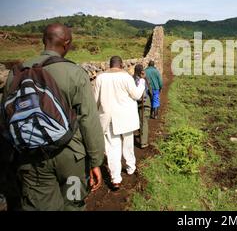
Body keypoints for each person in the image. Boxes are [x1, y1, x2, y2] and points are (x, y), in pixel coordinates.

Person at [0, 23, 105, 211]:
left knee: (40, 206)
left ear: (43, 41)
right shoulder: (74, 73)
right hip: (71, 158)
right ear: (67, 44)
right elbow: (89, 120)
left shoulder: (16, 73)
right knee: (73, 203)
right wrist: (96, 161)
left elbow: (5, 119)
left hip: (31, 158)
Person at [94, 56, 145, 190]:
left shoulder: (100, 78)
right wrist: (142, 84)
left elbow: (95, 101)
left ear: (109, 65)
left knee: (112, 148)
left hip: (109, 118)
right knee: (128, 144)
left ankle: (116, 179)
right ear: (121, 65)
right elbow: (136, 95)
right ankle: (130, 167)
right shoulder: (126, 77)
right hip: (126, 118)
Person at [133, 64, 150, 149]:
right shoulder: (142, 80)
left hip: (135, 103)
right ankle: (143, 142)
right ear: (142, 71)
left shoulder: (132, 79)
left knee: (140, 120)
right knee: (144, 121)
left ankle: (141, 136)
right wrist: (145, 78)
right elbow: (148, 90)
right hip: (144, 102)